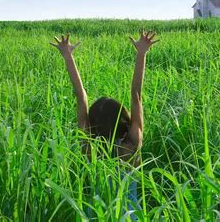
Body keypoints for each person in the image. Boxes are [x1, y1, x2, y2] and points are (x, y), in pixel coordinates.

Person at [49, 30, 159, 218]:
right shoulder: (131, 145)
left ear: (93, 123)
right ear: (122, 118)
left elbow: (80, 96)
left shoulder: (89, 148)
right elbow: (136, 95)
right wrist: (141, 53)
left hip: (97, 216)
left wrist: (68, 57)